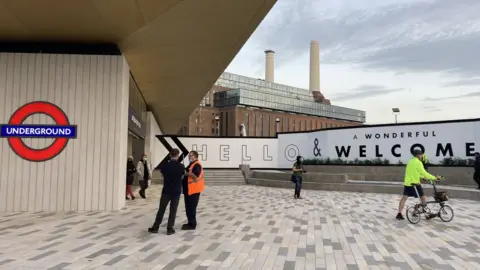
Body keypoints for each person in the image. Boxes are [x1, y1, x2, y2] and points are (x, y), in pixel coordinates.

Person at [148, 149, 185, 235]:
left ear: (170, 155)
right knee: (173, 210)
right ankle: (170, 229)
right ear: (177, 155)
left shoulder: (165, 165)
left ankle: (155, 227)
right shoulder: (181, 166)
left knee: (161, 209)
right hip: (176, 191)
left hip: (166, 190)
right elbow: (182, 176)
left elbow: (162, 175)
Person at [396, 150, 441, 220]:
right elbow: (424, 173)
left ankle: (399, 213)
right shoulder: (418, 162)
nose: (422, 156)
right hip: (415, 183)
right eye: (421, 155)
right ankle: (426, 214)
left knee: (404, 198)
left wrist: (422, 177)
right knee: (422, 198)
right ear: (419, 155)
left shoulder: (410, 161)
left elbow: (413, 173)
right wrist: (435, 178)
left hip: (408, 183)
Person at [182, 151, 204, 230]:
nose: (189, 157)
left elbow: (195, 176)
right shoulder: (192, 164)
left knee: (191, 208)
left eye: (191, 156)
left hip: (193, 190)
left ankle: (192, 224)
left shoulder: (197, 164)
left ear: (195, 156)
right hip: (189, 190)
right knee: (188, 208)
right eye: (189, 156)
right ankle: (190, 222)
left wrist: (186, 173)